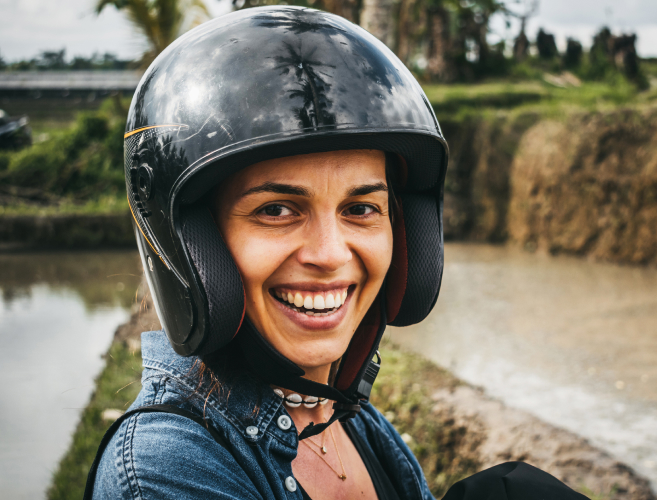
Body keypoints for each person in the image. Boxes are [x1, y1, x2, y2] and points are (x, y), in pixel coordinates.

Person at [87, 6, 588, 500]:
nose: (329, 254)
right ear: (195, 245)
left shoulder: (350, 419)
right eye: (277, 209)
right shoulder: (163, 470)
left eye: (361, 208)